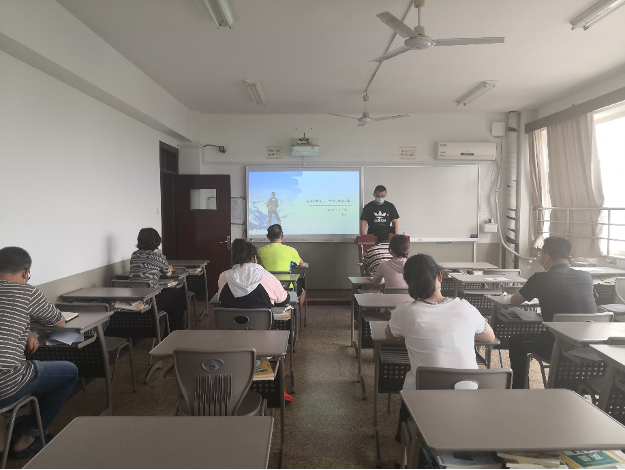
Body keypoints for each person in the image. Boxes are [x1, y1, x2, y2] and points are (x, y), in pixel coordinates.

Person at [385, 253, 495, 442]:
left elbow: (390, 335)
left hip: (424, 401)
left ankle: (407, 451)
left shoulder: (405, 311)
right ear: (440, 276)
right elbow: (490, 337)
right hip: (469, 398)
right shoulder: (465, 307)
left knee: (411, 388)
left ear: (409, 283)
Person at [0, 247, 79, 458]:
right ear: (26, 272)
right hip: (7, 384)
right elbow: (58, 321)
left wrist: (25, 329)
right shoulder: (27, 292)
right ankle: (30, 437)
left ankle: (1, 440)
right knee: (70, 372)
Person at [508, 236, 597, 389]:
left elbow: (515, 301)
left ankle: (519, 388)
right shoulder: (586, 276)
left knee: (516, 341)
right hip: (589, 347)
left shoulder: (540, 279)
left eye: (540, 253)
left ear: (546, 256)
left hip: (557, 346)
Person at [129, 228, 187, 331]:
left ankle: (169, 327)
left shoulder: (134, 255)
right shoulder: (159, 257)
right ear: (157, 241)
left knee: (171, 295)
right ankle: (174, 330)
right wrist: (169, 268)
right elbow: (168, 274)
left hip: (134, 299)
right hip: (151, 300)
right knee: (177, 294)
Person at [218, 239, 290, 309]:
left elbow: (220, 299)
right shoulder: (267, 276)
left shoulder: (224, 276)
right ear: (255, 258)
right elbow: (283, 300)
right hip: (262, 317)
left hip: (229, 317)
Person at [257, 224, 307, 304]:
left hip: (266, 287)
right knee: (302, 293)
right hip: (287, 286)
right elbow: (302, 265)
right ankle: (295, 310)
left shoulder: (260, 251)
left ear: (267, 236)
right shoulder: (291, 250)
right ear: (282, 236)